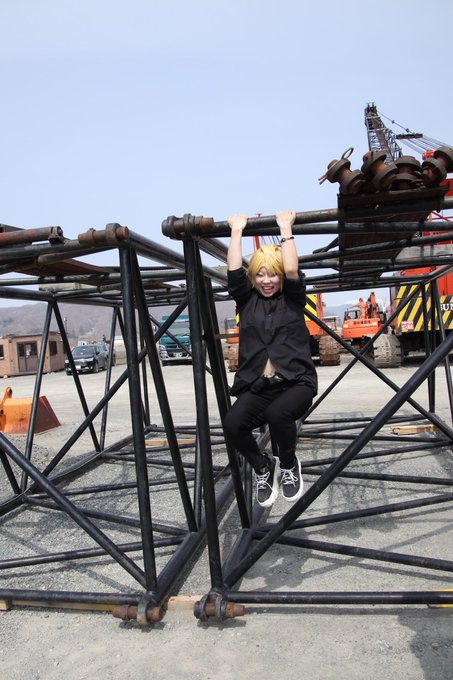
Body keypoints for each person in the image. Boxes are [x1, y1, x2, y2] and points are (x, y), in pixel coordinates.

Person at [223, 210, 318, 508]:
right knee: (233, 424)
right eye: (260, 274)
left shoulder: (292, 298)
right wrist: (236, 230)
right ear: (253, 277)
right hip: (260, 386)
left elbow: (291, 269)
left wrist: (285, 228)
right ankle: (264, 467)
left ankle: (288, 465)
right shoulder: (246, 300)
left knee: (279, 414)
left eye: (272, 274)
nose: (267, 280)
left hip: (296, 383)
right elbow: (234, 271)